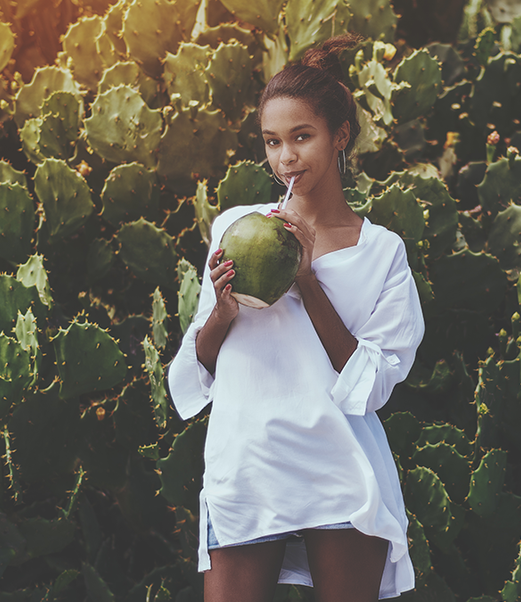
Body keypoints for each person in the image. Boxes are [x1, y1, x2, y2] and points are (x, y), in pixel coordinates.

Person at [167, 35, 425, 602]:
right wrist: (224, 308)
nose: (285, 158)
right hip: (247, 460)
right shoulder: (237, 226)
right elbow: (200, 363)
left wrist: (306, 279)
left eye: (301, 137)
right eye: (272, 141)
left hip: (339, 466)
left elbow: (373, 384)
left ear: (340, 137)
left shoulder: (382, 251)